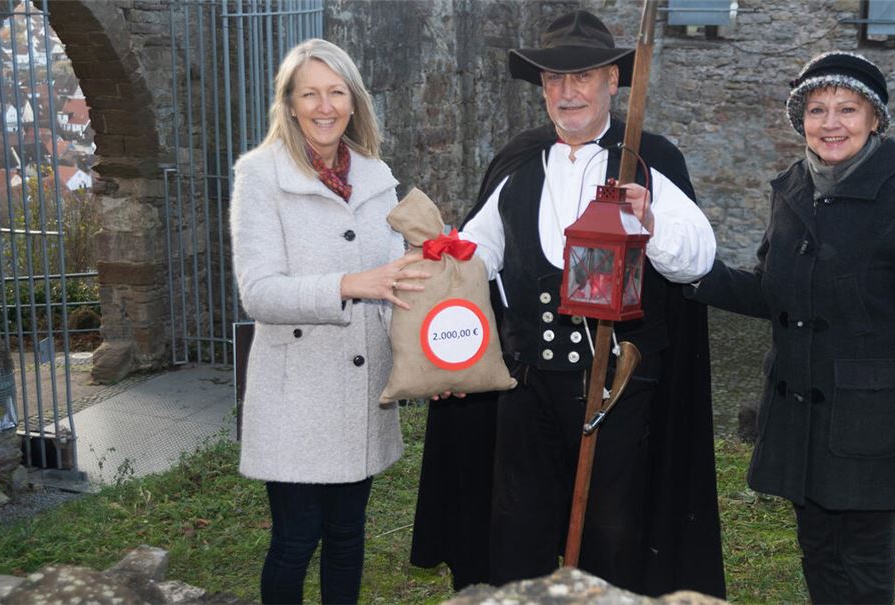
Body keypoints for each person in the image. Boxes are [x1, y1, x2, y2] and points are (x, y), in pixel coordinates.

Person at [411, 10, 726, 598]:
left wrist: (650, 222)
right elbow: (476, 258)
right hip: (529, 387)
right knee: (518, 523)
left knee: (613, 528)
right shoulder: (519, 163)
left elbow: (698, 260)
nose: (566, 91)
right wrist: (433, 264)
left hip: (618, 388)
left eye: (582, 77)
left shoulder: (649, 162)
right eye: (554, 79)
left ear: (612, 81)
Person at [686, 51, 895, 604]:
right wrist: (691, 273)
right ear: (800, 121)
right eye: (816, 110)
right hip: (801, 416)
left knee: (862, 567)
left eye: (847, 110)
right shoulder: (791, 189)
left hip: (870, 425)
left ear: (875, 119)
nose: (830, 124)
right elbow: (771, 291)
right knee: (817, 557)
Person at [230, 39, 428, 605]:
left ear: (353, 101)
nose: (324, 105)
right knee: (295, 540)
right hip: (298, 397)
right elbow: (259, 293)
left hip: (362, 391)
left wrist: (430, 268)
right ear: (289, 103)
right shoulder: (260, 175)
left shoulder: (375, 175)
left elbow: (394, 277)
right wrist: (348, 285)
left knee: (346, 536)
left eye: (336, 92)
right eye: (309, 93)